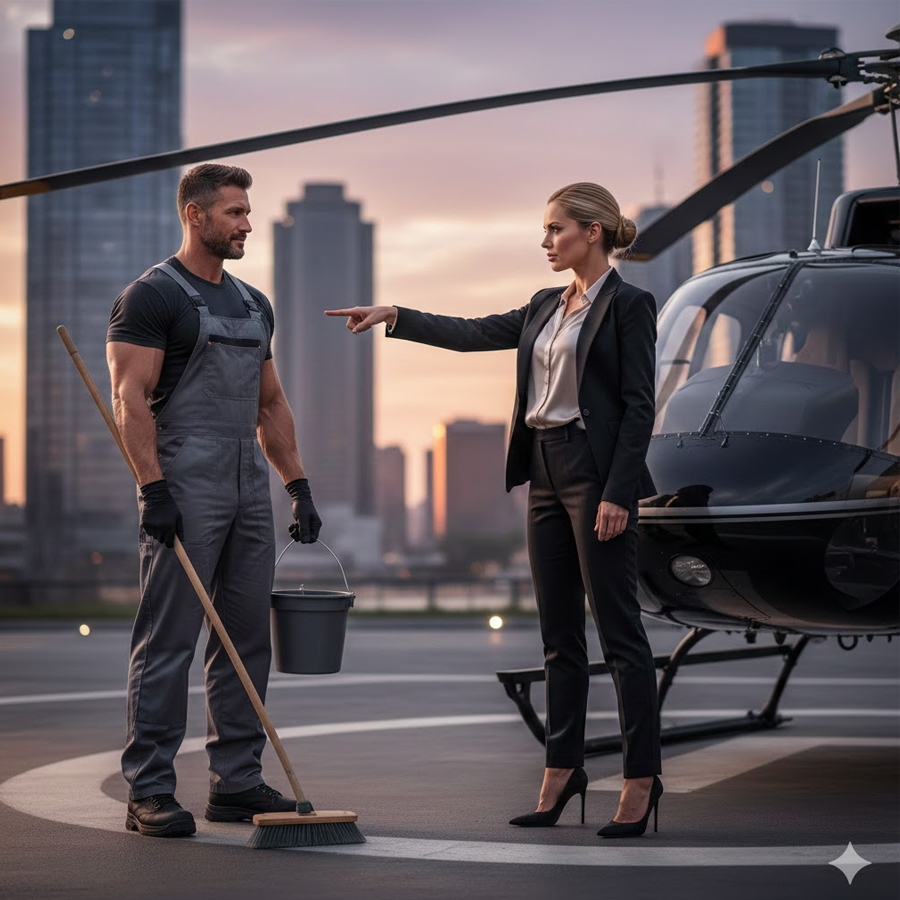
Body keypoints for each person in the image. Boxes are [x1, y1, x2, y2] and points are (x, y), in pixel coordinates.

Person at [326, 182, 663, 839]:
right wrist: (396, 313)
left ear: (593, 232)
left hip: (597, 477)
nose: (546, 242)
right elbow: (472, 333)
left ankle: (641, 781)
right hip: (544, 470)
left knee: (620, 635)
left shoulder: (629, 306)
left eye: (556, 230)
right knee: (558, 638)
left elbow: (640, 406)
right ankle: (562, 773)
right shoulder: (544, 305)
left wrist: (621, 493)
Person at [107, 164, 322, 838]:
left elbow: (271, 402)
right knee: (167, 639)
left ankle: (236, 782)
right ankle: (149, 790)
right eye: (235, 213)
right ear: (196, 216)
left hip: (245, 482)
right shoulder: (150, 296)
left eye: (247, 212)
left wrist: (297, 483)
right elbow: (129, 399)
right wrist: (153, 489)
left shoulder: (256, 304)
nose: (247, 224)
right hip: (183, 477)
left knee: (244, 640)